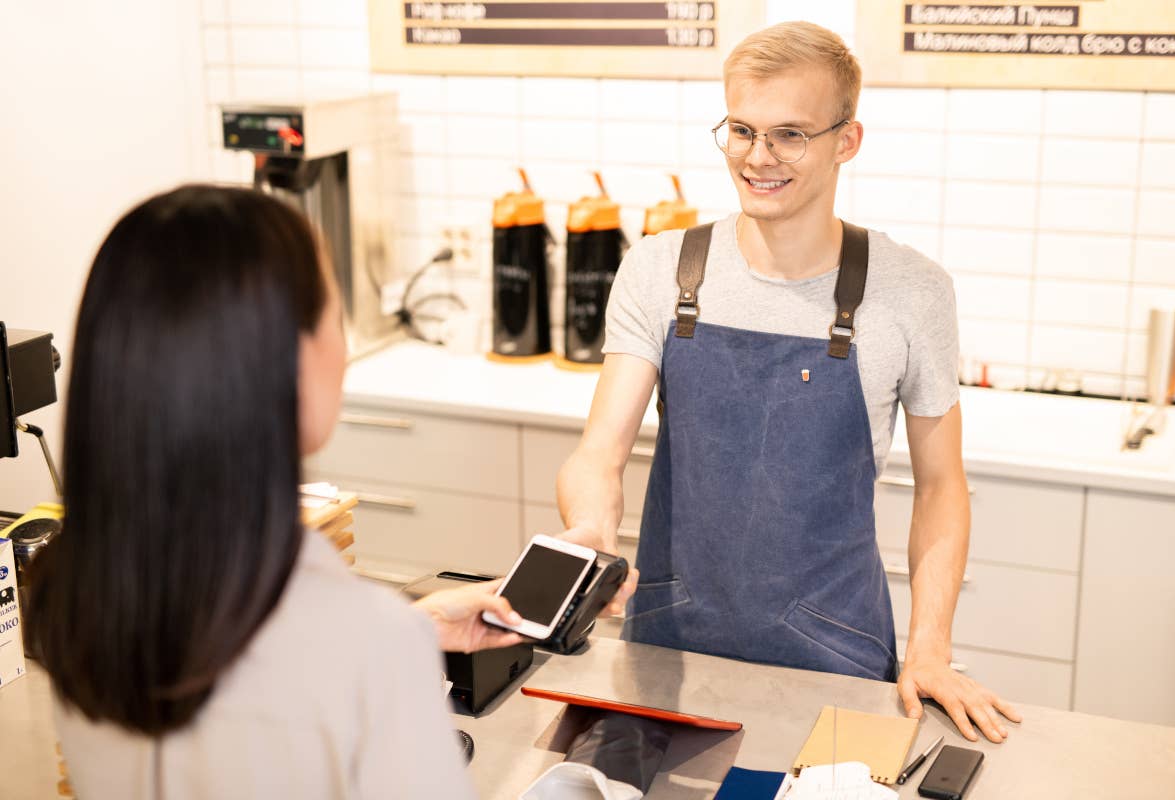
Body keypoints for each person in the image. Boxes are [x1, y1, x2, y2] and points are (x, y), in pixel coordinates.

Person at [557, 21, 1021, 744]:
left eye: (790, 135)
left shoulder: (913, 293)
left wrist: (930, 644)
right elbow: (599, 452)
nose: (758, 157)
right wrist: (590, 531)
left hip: (839, 653)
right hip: (666, 645)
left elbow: (941, 487)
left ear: (847, 140)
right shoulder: (660, 270)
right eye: (741, 130)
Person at [28, 184, 524, 799]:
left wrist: (408, 625)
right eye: (332, 311)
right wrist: (391, 644)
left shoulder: (70, 601)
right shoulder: (369, 651)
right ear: (285, 364)